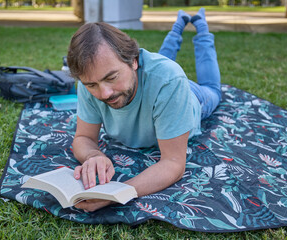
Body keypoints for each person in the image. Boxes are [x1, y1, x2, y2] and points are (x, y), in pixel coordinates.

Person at [66, 8, 221, 212]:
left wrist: (116, 194)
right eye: (92, 85)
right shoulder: (91, 79)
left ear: (134, 61)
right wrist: (94, 156)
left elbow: (173, 164)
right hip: (156, 81)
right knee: (160, 68)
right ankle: (178, 27)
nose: (104, 93)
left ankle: (200, 27)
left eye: (111, 78)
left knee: (212, 88)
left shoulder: (169, 80)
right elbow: (83, 138)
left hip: (192, 98)